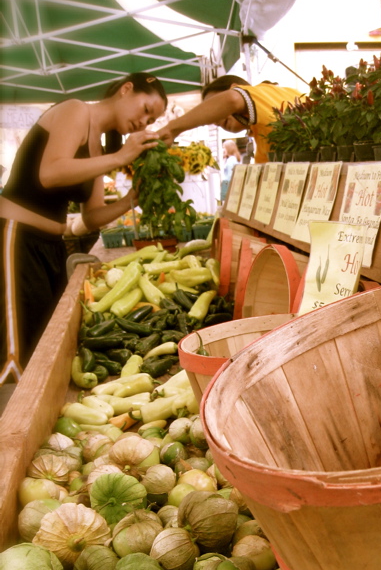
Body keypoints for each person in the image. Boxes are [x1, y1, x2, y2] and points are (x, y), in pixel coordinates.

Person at [0, 72, 167, 384]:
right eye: (146, 109)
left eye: (151, 120)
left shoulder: (99, 148)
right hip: (16, 238)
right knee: (16, 354)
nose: (144, 122)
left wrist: (133, 198)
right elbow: (49, 172)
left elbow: (91, 218)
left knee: (45, 342)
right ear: (126, 90)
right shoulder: (75, 110)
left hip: (50, 248)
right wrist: (121, 156)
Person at [158, 75, 304, 164]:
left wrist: (171, 129)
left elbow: (232, 99)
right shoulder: (260, 126)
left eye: (214, 106)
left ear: (236, 88)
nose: (213, 120)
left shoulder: (262, 93)